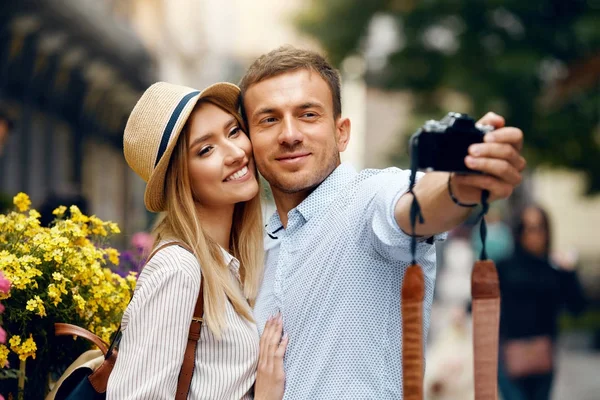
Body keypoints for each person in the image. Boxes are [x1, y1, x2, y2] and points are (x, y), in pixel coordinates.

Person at [238, 46, 526, 399]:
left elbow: (414, 203)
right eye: (269, 119)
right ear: (249, 142)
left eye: (308, 114)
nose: (289, 134)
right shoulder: (262, 248)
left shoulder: (368, 199)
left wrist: (460, 186)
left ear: (342, 132)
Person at [107, 82, 287, 399]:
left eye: (233, 131)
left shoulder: (231, 263)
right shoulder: (178, 269)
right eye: (206, 150)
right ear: (182, 180)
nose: (236, 153)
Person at [497, 205, 587, 400]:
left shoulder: (554, 269)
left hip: (543, 356)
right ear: (519, 232)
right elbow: (480, 303)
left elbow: (577, 308)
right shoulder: (504, 267)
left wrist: (569, 273)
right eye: (528, 228)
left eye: (539, 228)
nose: (534, 235)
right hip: (509, 355)